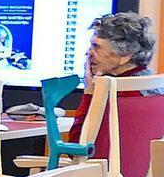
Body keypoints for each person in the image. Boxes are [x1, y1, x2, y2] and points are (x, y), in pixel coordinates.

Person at [65, 11, 158, 141]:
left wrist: (89, 92)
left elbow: (78, 147)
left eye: (96, 47)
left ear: (125, 55)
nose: (88, 52)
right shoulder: (156, 87)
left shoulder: (122, 95)